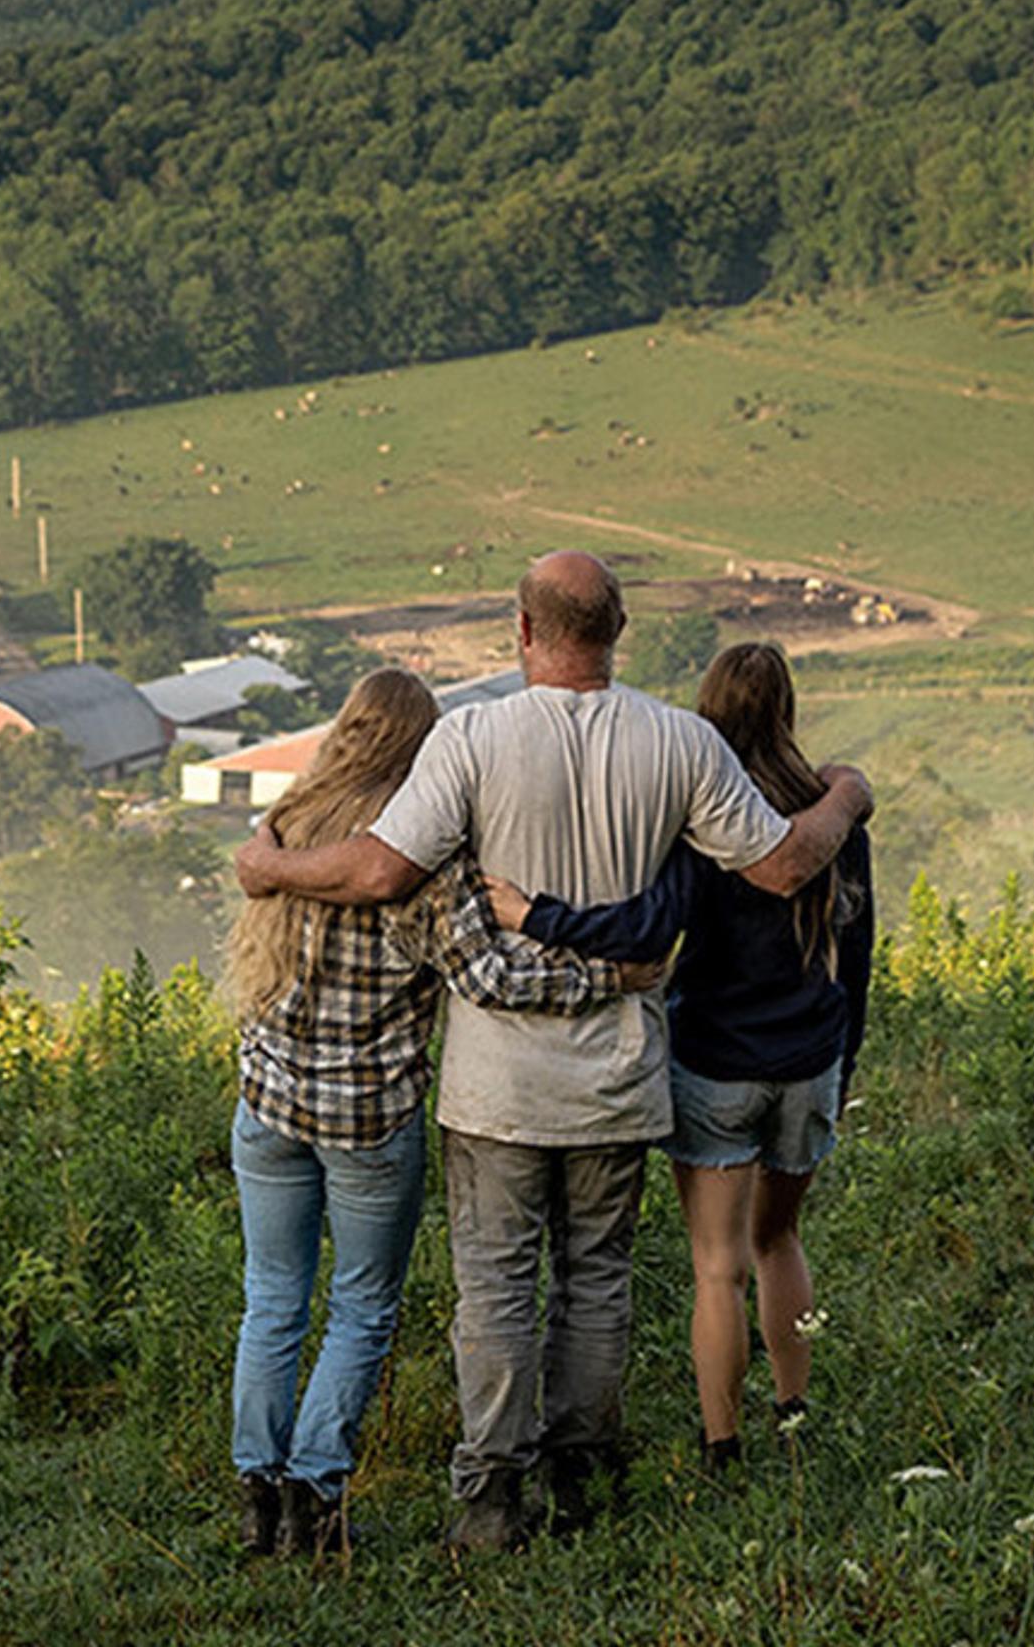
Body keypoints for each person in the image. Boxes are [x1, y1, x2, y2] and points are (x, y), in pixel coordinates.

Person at [234, 553, 871, 1553]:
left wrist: (270, 866)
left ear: (522, 632)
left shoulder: (473, 738)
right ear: (615, 633)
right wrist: (848, 793)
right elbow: (787, 862)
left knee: (494, 1295)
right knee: (596, 1282)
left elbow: (377, 868)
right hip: (618, 1081)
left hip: (497, 1090)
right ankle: (583, 1478)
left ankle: (489, 1501)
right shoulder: (684, 742)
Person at [220, 667, 659, 1561]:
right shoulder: (420, 862)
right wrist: (611, 975)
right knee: (362, 1307)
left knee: (271, 1301)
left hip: (266, 1104)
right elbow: (489, 978)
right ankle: (317, 1488)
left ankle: (257, 1499)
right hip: (367, 1117)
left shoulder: (286, 830)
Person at [488, 639, 873, 1471]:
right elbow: (860, 963)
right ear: (788, 711)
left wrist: (535, 915)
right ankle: (794, 1415)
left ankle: (721, 1446)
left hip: (714, 1063)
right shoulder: (833, 815)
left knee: (715, 1268)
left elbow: (645, 929)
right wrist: (843, 1066)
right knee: (781, 1242)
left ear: (709, 713)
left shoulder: (699, 818)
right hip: (810, 1059)